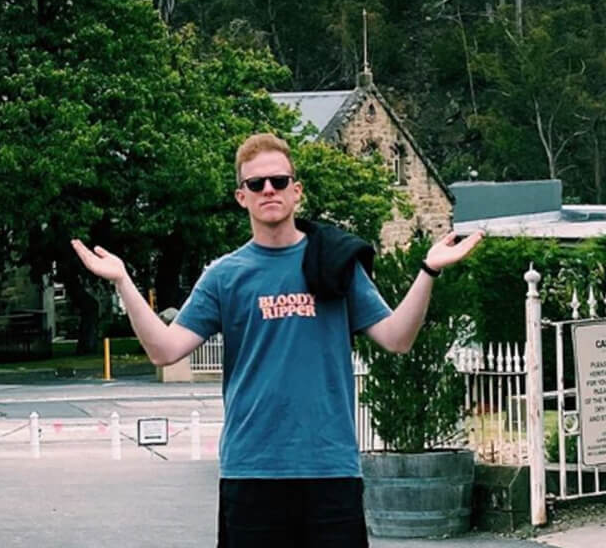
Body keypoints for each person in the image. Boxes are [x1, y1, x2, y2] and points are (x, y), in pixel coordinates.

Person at [71, 131, 482, 548]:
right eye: (256, 184)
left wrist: (429, 271)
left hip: (329, 469)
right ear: (241, 197)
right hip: (252, 471)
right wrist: (123, 280)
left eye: (279, 181)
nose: (269, 189)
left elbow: (397, 339)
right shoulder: (224, 276)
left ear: (296, 191)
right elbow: (164, 350)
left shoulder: (334, 262)